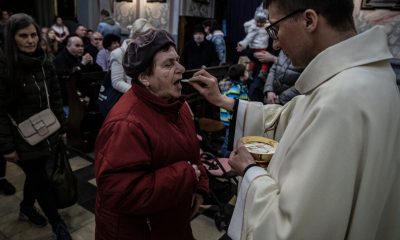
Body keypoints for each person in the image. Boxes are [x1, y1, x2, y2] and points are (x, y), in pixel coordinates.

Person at [188, 0, 400, 239]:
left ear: (309, 20)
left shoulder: (340, 99)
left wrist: (249, 171)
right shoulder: (365, 76)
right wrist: (224, 102)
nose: (275, 43)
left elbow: (292, 230)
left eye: (275, 28)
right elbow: (292, 116)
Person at [94, 29, 209, 240]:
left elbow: (190, 150)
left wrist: (199, 187)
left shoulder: (175, 104)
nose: (181, 69)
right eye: (168, 64)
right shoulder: (126, 123)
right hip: (138, 231)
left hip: (169, 221)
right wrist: (187, 175)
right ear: (145, 77)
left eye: (178, 61)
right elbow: (119, 191)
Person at [0, 13, 72, 239]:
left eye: (34, 35)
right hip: (21, 136)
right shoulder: (4, 67)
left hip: (47, 129)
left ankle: (26, 208)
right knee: (41, 181)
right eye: (23, 36)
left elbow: (56, 96)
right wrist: (7, 147)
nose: (30, 40)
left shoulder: (44, 61)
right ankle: (57, 223)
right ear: (11, 38)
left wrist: (62, 127)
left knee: (36, 176)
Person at [53, 35, 102, 114]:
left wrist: (92, 64)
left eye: (82, 46)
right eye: (77, 46)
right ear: (68, 46)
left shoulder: (80, 56)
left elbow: (99, 72)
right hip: (67, 99)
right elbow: (68, 76)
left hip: (83, 97)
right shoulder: (60, 59)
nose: (81, 48)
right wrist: (82, 64)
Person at [109, 18, 154, 94]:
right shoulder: (118, 53)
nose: (148, 41)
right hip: (129, 95)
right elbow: (117, 82)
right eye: (146, 37)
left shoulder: (147, 50)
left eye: (151, 37)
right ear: (135, 36)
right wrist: (141, 93)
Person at [219, 64, 249, 157]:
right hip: (232, 120)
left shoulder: (240, 86)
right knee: (229, 142)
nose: (248, 73)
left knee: (231, 139)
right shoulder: (235, 89)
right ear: (242, 76)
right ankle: (224, 157)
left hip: (236, 120)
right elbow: (231, 106)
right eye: (246, 71)